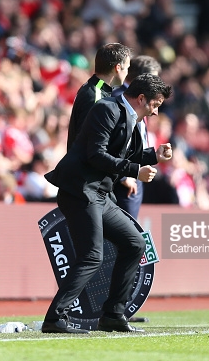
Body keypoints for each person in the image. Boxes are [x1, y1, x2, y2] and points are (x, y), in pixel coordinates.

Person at [42, 74, 173, 334]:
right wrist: (135, 171)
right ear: (141, 98)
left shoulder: (129, 116)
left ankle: (113, 314)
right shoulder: (106, 108)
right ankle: (55, 319)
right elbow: (97, 155)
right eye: (155, 104)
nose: (156, 112)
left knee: (135, 243)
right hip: (80, 191)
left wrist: (153, 156)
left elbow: (125, 152)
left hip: (99, 195)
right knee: (91, 256)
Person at [112, 55, 162, 219]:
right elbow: (116, 138)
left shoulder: (130, 97)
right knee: (125, 232)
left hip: (133, 173)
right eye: (154, 78)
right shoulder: (122, 97)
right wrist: (125, 175)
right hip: (126, 177)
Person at [66, 42, 132, 151]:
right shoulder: (95, 96)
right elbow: (89, 145)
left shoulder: (98, 89)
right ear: (118, 68)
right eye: (126, 68)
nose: (127, 73)